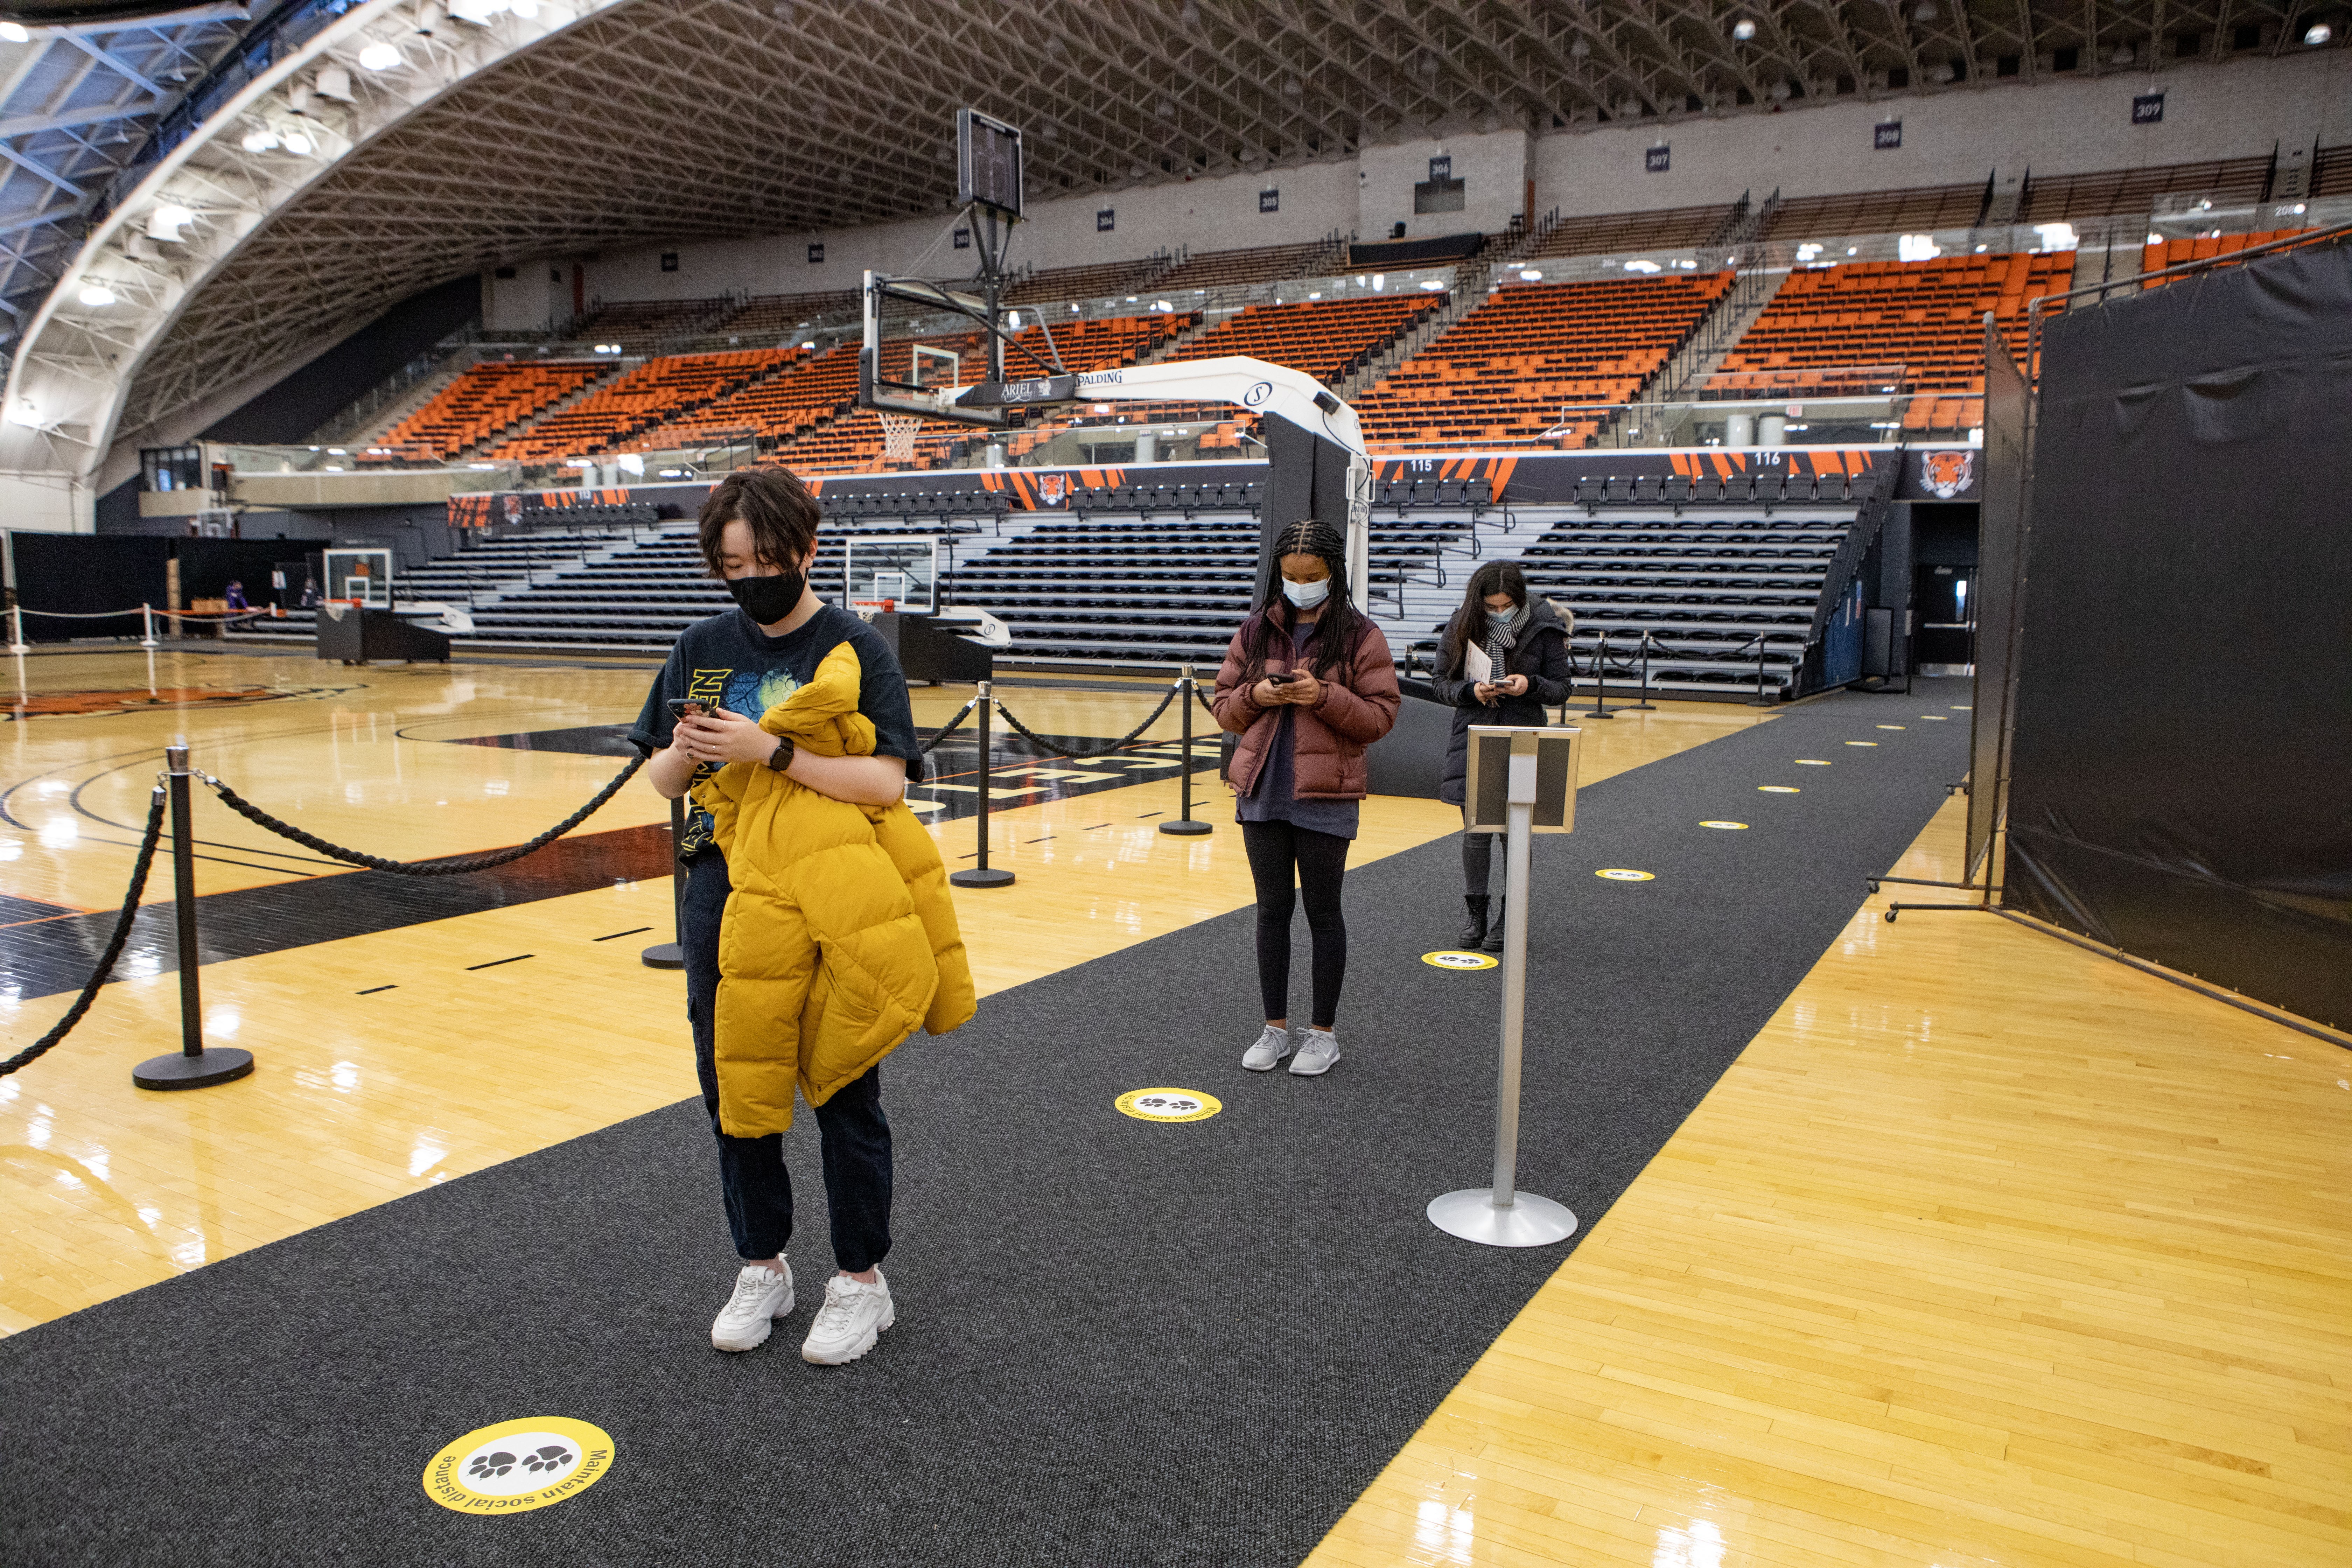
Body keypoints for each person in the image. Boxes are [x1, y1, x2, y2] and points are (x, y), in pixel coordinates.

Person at [632, 465, 973, 1367]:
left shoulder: (856, 648)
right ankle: (762, 1263)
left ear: (808, 550)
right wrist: (686, 751)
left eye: (767, 560)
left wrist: (768, 749)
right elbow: (663, 782)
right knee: (734, 1082)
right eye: (734, 564)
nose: (750, 579)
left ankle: (861, 1280)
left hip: (830, 894)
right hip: (722, 891)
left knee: (844, 1086)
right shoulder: (702, 644)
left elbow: (886, 781)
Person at [1210, 518, 1399, 1077]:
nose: (1300, 585)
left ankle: (1323, 1034)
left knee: (1323, 913)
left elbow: (1381, 716)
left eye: (1311, 576)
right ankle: (1273, 1030)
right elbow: (1224, 706)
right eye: (1291, 576)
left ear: (1332, 574)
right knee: (1271, 912)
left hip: (1326, 795)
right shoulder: (1254, 631)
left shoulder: (1362, 635)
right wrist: (1258, 694)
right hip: (1263, 792)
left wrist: (1324, 696)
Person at [1427, 561, 1573, 952]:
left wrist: (1529, 685)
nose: (1498, 612)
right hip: (1475, 734)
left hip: (1522, 734)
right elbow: (1441, 682)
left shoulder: (1544, 625)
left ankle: (1512, 915)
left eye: (1506, 605)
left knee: (1515, 832)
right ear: (1479, 602)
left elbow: (1561, 689)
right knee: (1476, 831)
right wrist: (1471, 692)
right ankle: (1477, 913)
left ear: (1520, 600)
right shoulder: (1462, 624)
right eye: (1491, 607)